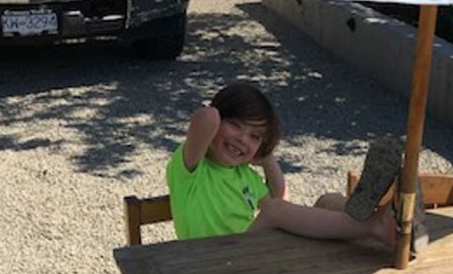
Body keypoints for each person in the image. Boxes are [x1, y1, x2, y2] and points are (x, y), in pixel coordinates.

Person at [166, 82, 424, 252]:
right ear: (219, 119)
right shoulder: (190, 169)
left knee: (327, 200)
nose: (243, 139)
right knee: (276, 213)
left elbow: (279, 193)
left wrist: (265, 155)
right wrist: (220, 118)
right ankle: (376, 225)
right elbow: (206, 118)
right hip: (207, 260)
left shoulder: (243, 174)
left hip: (245, 252)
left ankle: (381, 223)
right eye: (235, 125)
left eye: (255, 136)